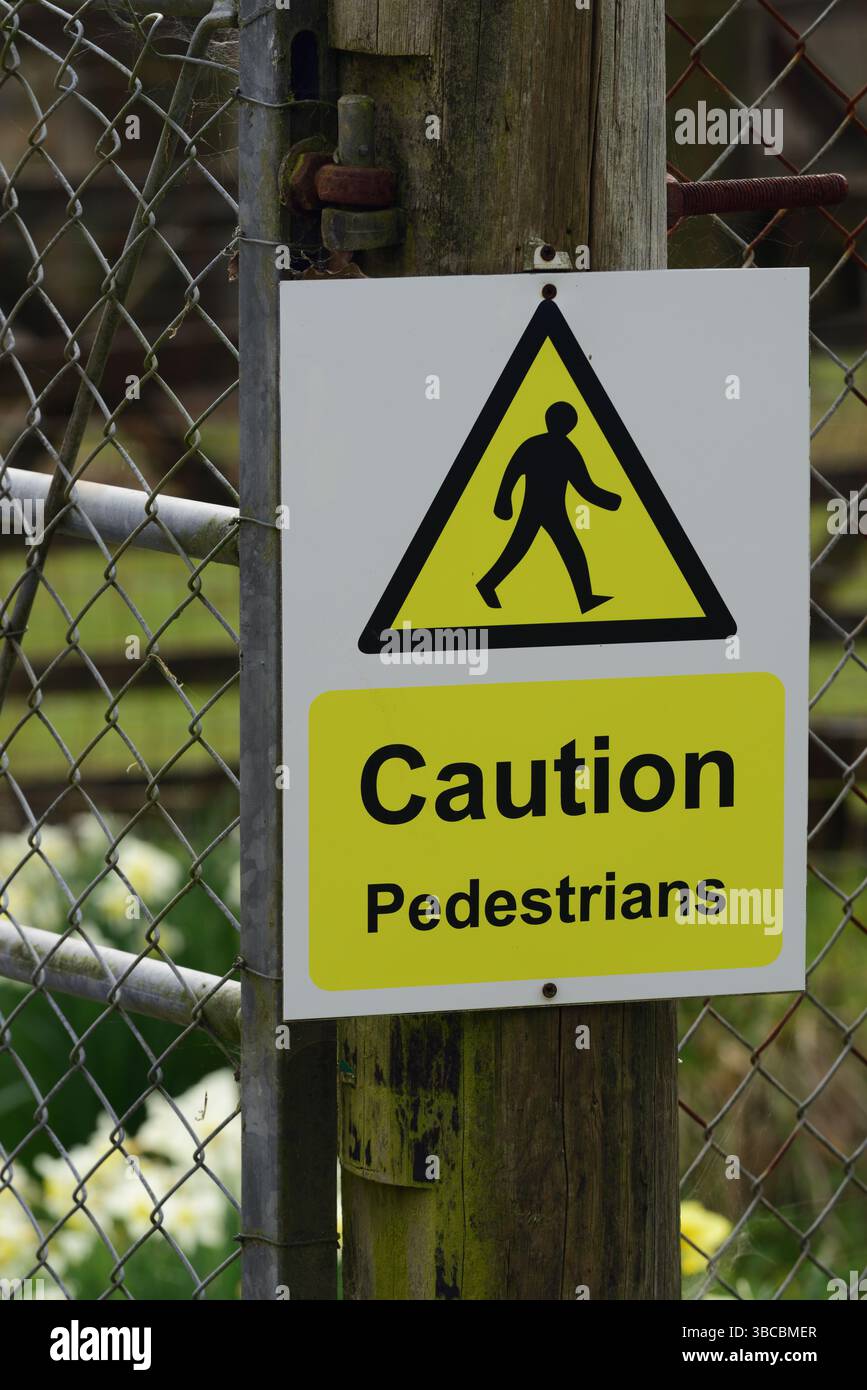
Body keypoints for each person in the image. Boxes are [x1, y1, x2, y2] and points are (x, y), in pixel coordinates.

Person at [476, 401, 621, 612]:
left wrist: (611, 501)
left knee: (549, 551)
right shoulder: (560, 449)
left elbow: (584, 486)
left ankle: (585, 598)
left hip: (549, 510)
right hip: (541, 509)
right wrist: (503, 501)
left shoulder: (543, 446)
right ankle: (488, 585)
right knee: (540, 551)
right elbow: (512, 473)